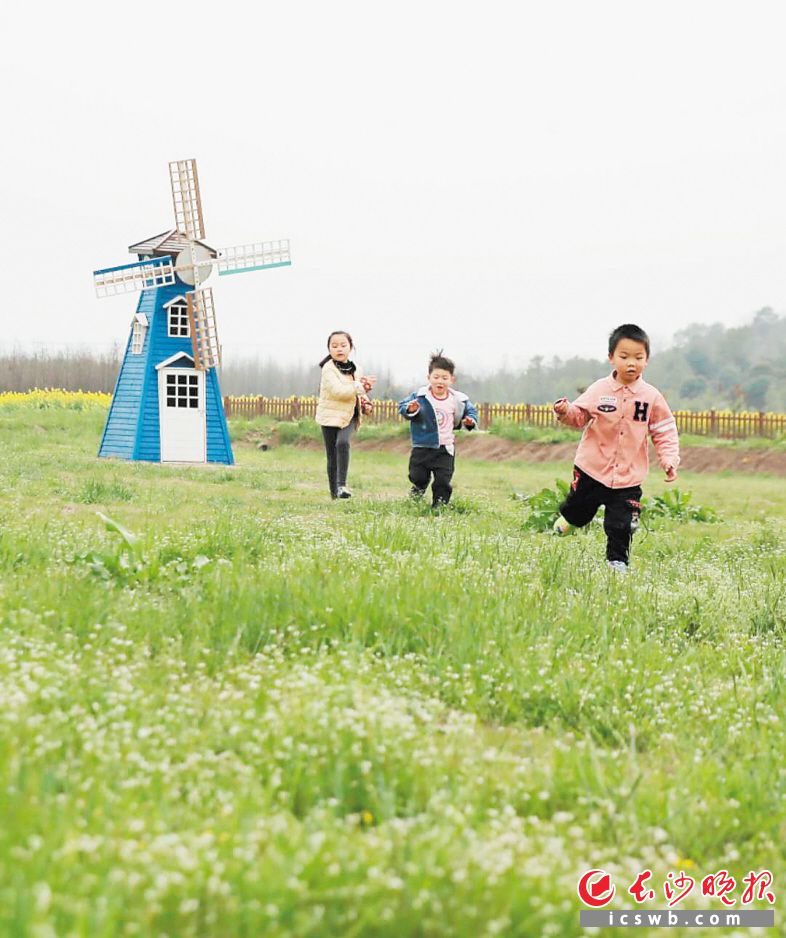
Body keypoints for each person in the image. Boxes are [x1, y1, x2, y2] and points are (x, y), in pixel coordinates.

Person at [552, 323, 680, 572]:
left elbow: (664, 430)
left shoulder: (651, 397)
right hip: (593, 468)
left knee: (622, 524)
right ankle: (570, 520)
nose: (631, 363)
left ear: (647, 360)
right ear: (611, 358)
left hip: (628, 477)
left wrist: (669, 459)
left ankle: (617, 563)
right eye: (624, 357)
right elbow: (579, 416)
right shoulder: (599, 389)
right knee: (580, 511)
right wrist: (566, 411)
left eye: (638, 357)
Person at [398, 351, 479, 508]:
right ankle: (418, 489)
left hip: (445, 448)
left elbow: (471, 412)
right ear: (429, 378)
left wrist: (470, 421)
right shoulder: (420, 396)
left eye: (444, 378)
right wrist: (411, 409)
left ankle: (439, 506)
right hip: (422, 445)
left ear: (451, 380)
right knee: (418, 476)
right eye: (436, 377)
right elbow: (403, 406)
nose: (440, 381)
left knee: (443, 479)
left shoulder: (459, 399)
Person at [315, 331, 375, 499]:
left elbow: (358, 392)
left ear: (351, 347)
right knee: (331, 456)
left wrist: (366, 401)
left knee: (342, 442)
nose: (339, 349)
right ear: (329, 349)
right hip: (330, 416)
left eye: (343, 345)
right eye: (334, 346)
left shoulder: (357, 369)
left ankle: (342, 486)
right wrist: (362, 387)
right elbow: (339, 392)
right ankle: (334, 494)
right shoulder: (328, 369)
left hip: (350, 415)